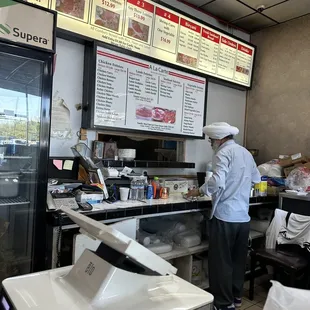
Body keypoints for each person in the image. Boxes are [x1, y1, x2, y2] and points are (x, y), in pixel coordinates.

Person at [188, 122, 261, 310]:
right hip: (243, 218)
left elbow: (217, 182)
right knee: (237, 260)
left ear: (219, 139)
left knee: (221, 262)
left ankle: (222, 304)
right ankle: (236, 297)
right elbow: (256, 179)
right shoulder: (245, 153)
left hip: (225, 217)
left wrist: (199, 191)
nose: (211, 143)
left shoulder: (223, 153)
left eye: (211, 140)